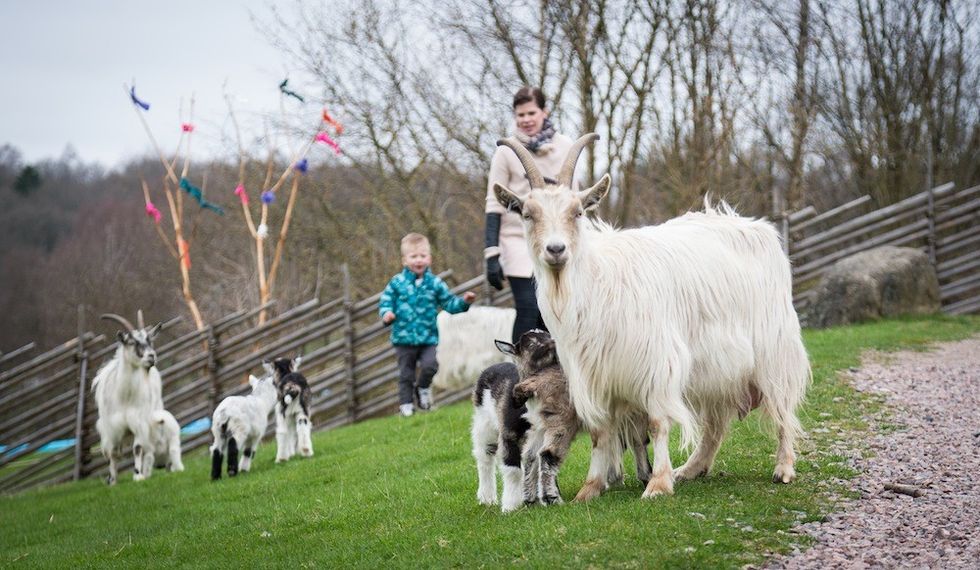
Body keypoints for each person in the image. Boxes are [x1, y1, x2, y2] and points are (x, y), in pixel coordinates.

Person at [485, 86, 575, 343]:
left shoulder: (565, 146)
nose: (525, 120)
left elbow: (574, 200)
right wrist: (492, 253)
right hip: (518, 239)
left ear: (544, 112)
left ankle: (553, 373)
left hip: (556, 238)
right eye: (520, 115)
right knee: (528, 306)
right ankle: (521, 372)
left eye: (531, 113)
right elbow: (494, 201)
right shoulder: (506, 151)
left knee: (554, 310)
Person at [379, 233, 476, 417]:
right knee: (406, 374)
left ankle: (423, 388)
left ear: (429, 258)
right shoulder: (396, 283)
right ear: (404, 260)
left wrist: (464, 302)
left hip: (428, 337)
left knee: (430, 366)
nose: (418, 260)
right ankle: (406, 406)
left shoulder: (435, 283)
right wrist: (387, 314)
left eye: (422, 256)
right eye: (413, 257)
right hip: (403, 339)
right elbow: (385, 302)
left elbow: (449, 304)